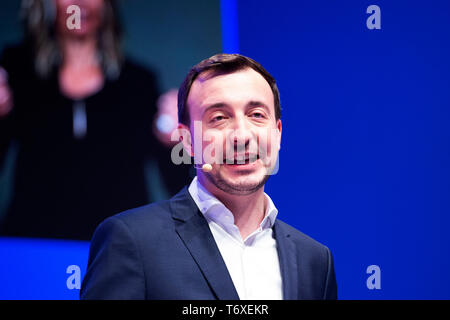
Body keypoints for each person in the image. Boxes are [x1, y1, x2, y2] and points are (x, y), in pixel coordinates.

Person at [80, 53, 337, 300]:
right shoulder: (131, 241)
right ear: (187, 140)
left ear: (277, 133)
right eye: (219, 118)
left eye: (257, 115)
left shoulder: (314, 260)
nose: (241, 136)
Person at [0, 0, 189, 240]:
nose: (80, 3)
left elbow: (178, 186)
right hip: (33, 246)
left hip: (120, 248)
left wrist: (175, 142)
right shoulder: (18, 72)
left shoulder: (138, 83)